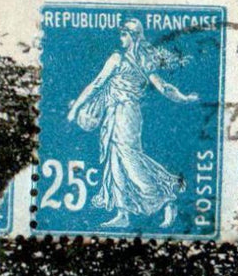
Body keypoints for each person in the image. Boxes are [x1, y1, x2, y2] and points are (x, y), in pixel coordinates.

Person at [66, 18, 199, 229]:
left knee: (129, 158)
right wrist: (76, 107)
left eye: (124, 34)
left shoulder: (132, 61)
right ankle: (123, 213)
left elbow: (163, 87)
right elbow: (97, 84)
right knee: (115, 160)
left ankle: (165, 198)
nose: (121, 38)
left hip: (127, 114)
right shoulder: (123, 59)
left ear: (134, 36)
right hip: (113, 113)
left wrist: (184, 98)